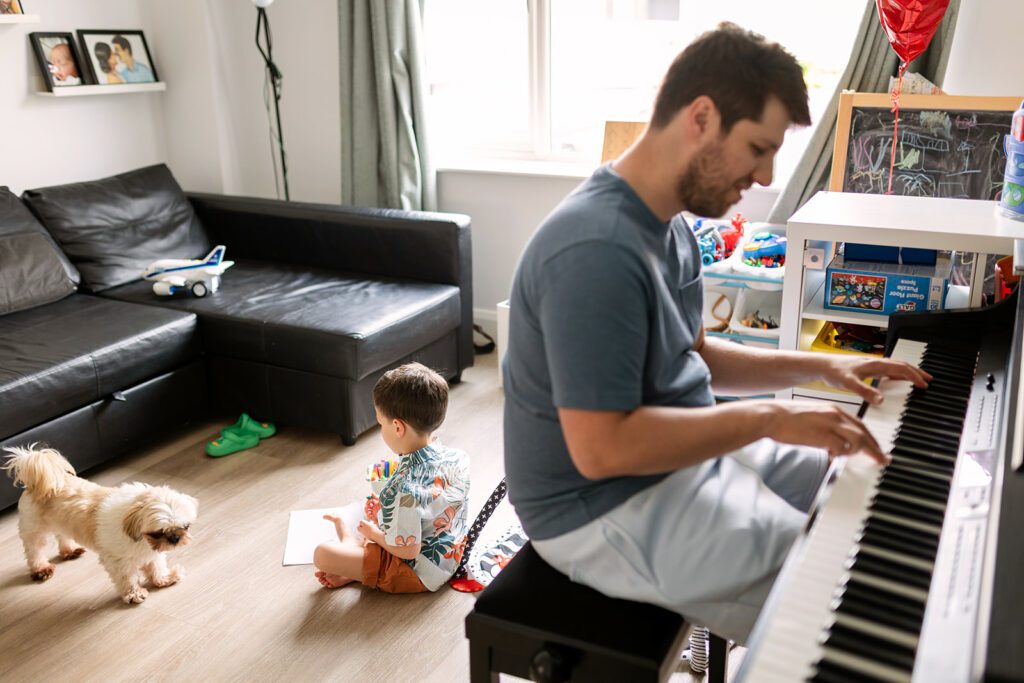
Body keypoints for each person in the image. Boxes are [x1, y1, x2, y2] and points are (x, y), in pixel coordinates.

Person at [502, 22, 931, 644]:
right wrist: (769, 418)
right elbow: (603, 450)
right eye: (758, 148)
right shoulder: (594, 248)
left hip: (677, 451)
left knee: (859, 482)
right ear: (701, 117)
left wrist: (819, 368)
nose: (764, 177)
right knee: (837, 584)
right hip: (597, 505)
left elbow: (696, 354)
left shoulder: (668, 222)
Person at [313, 363, 470, 593]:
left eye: (380, 423)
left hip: (419, 572)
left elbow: (408, 551)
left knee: (322, 554)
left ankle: (354, 559)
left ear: (397, 427)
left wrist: (374, 533)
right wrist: (385, 514)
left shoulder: (405, 489)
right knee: (373, 526)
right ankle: (356, 562)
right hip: (451, 555)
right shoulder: (458, 457)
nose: (381, 429)